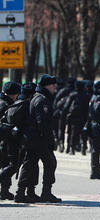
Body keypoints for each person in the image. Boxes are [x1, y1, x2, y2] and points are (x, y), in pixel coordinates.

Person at [16, 75, 61, 203]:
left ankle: (20, 193)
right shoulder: (42, 100)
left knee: (29, 164)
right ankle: (46, 193)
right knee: (50, 163)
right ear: (47, 85)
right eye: (52, 85)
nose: (54, 87)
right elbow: (42, 123)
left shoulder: (36, 97)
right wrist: (49, 141)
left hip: (31, 137)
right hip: (38, 138)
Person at [0, 81, 20, 199]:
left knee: (5, 164)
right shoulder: (5, 106)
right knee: (7, 164)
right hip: (3, 139)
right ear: (13, 94)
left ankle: (4, 191)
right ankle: (4, 190)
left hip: (3, 139)